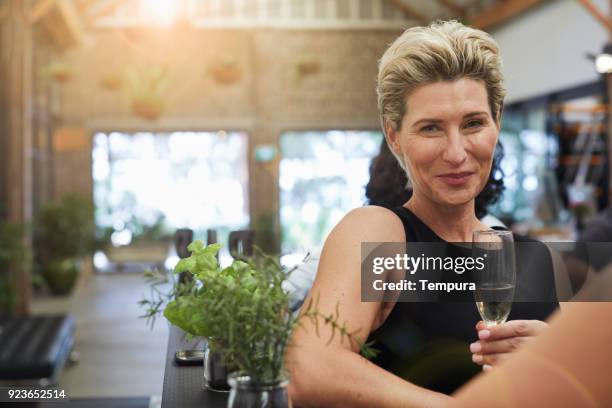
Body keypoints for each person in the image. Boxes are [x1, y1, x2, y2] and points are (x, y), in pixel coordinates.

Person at [287, 21, 558, 407]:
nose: (456, 152)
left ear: (496, 121)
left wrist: (557, 366)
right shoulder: (380, 232)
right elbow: (310, 370)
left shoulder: (535, 258)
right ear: (394, 135)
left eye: (474, 123)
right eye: (431, 128)